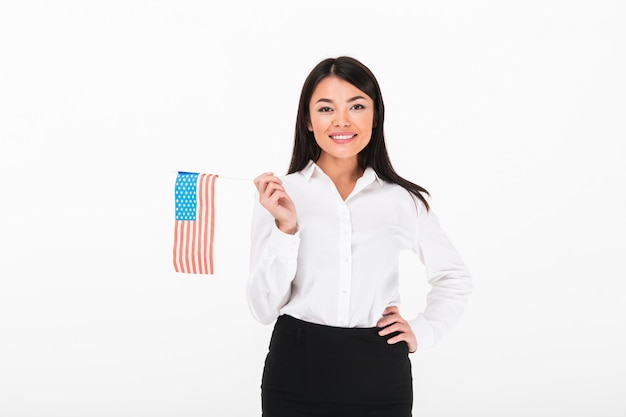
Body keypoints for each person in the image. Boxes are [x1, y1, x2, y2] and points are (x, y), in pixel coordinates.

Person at [247, 56, 472, 417]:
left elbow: (454, 276)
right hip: (296, 368)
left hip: (379, 372)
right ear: (307, 119)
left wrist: (423, 330)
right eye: (325, 108)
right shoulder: (279, 196)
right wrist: (286, 230)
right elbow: (262, 309)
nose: (341, 120)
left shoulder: (404, 200)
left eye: (356, 106)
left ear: (375, 115)